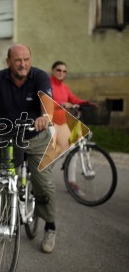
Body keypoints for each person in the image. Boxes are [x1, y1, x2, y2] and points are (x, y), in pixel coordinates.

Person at [0, 44, 57, 254]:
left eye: (26, 59)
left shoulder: (40, 77)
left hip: (36, 138)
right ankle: (5, 222)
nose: (23, 64)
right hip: (9, 138)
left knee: (43, 183)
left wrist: (46, 117)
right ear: (9, 62)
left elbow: (47, 100)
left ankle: (50, 225)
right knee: (7, 179)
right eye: (18, 60)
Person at [49, 61, 88, 196]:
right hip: (50, 122)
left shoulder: (64, 87)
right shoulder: (48, 85)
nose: (61, 73)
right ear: (52, 70)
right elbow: (46, 101)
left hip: (63, 122)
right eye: (59, 70)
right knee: (53, 153)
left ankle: (72, 183)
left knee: (75, 147)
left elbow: (73, 98)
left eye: (64, 71)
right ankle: (39, 178)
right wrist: (62, 104)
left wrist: (86, 103)